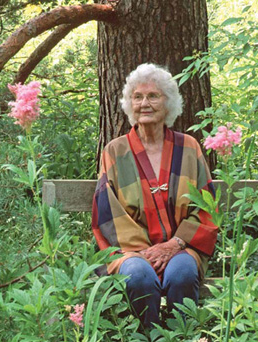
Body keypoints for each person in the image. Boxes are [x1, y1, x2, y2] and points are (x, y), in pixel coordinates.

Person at [92, 63, 218, 328]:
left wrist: (175, 244)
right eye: (137, 97)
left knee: (182, 272)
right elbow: (107, 213)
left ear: (168, 103)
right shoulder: (115, 152)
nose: (144, 103)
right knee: (138, 275)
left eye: (153, 96)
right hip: (129, 250)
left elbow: (206, 204)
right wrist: (145, 252)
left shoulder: (189, 148)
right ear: (129, 104)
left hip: (181, 247)